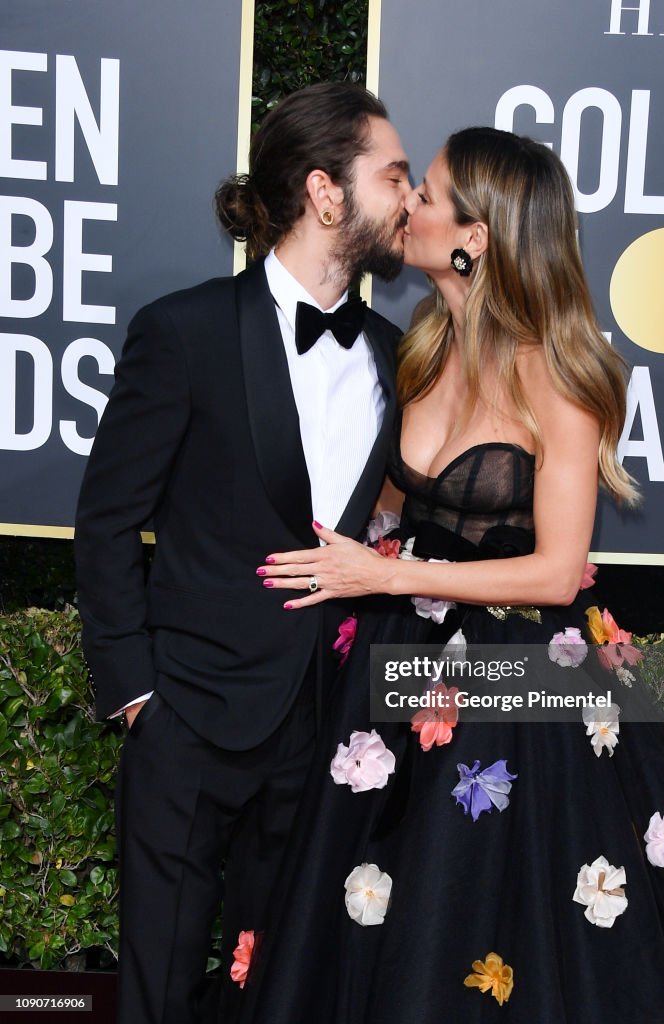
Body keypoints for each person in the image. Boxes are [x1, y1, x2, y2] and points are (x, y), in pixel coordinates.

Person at [238, 128, 664, 1022]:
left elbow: (559, 573)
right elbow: (388, 508)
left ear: (476, 236)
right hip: (398, 663)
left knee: (471, 902)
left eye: (430, 192)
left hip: (513, 680)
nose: (408, 204)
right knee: (371, 898)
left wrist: (387, 577)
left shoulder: (556, 377)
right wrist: (358, 555)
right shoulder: (420, 347)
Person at [74, 82, 411, 1024]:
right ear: (326, 192)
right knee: (160, 987)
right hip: (187, 717)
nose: (409, 195)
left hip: (321, 727)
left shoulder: (395, 353)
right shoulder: (183, 332)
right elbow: (107, 522)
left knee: (284, 989)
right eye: (392, 174)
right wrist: (138, 695)